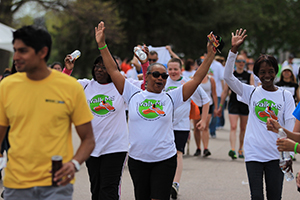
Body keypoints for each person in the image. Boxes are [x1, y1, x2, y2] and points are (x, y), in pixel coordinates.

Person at [95, 21, 216, 200]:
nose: (161, 78)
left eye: (164, 76)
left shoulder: (171, 97)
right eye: (157, 75)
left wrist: (211, 55)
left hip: (165, 160)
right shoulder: (132, 93)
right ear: (147, 77)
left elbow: (197, 77)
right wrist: (102, 45)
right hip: (137, 161)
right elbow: (112, 70)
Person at [0, 25, 95, 200]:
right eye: (15, 51)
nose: (16, 57)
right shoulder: (6, 86)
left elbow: (88, 139)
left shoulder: (70, 87)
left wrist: (74, 164)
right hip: (16, 185)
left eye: (22, 51)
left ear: (42, 52)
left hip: (56, 186)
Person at [62, 45, 148, 200]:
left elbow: (147, 85)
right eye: (97, 66)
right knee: (96, 189)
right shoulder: (85, 85)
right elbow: (61, 86)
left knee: (109, 189)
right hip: (91, 148)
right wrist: (68, 70)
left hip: (115, 148)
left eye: (104, 67)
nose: (99, 70)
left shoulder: (122, 86)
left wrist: (144, 63)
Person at [224, 28, 295, 200]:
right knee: (256, 196)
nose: (267, 75)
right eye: (262, 72)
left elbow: (290, 126)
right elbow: (228, 77)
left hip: (276, 154)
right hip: (254, 152)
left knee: (274, 197)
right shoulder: (251, 93)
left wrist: (290, 155)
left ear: (276, 71)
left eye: (271, 71)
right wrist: (233, 50)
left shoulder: (285, 96)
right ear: (257, 74)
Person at [165, 58, 210, 199]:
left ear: (181, 69)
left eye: (175, 69)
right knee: (165, 155)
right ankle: (164, 182)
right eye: (170, 69)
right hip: (163, 126)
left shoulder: (187, 82)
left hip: (181, 126)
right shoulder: (163, 81)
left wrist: (203, 120)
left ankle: (175, 183)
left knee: (178, 153)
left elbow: (206, 100)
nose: (173, 72)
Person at [218, 54, 254, 159]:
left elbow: (252, 91)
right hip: (233, 103)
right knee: (233, 127)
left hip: (244, 105)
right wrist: (220, 106)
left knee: (243, 128)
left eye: (243, 61)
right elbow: (225, 92)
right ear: (236, 63)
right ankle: (232, 149)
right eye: (239, 61)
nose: (241, 63)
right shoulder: (231, 76)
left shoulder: (249, 76)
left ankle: (241, 148)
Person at [194, 73, 218, 157]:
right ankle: (198, 148)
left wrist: (216, 107)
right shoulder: (194, 78)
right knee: (196, 127)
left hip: (208, 104)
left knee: (205, 126)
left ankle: (205, 148)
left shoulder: (211, 79)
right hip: (197, 104)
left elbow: (214, 94)